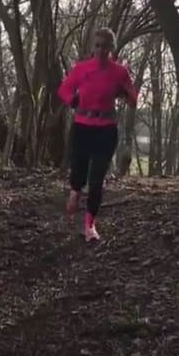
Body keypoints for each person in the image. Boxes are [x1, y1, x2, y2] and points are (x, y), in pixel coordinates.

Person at [57, 28, 138, 242]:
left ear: (112, 48)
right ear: (93, 47)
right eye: (98, 46)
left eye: (106, 46)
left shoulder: (120, 72)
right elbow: (63, 90)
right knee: (79, 171)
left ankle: (90, 225)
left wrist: (126, 92)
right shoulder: (81, 69)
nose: (101, 50)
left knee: (97, 180)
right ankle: (75, 191)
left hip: (105, 129)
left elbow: (133, 100)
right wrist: (72, 100)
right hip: (82, 127)